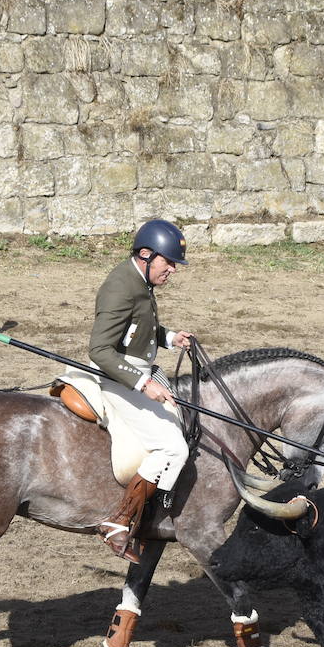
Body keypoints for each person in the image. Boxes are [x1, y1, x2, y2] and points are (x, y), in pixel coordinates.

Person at [88, 219, 194, 564]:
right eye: (169, 262)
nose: (173, 270)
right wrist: (143, 383)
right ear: (146, 255)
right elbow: (101, 350)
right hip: (119, 378)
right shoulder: (120, 287)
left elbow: (139, 328)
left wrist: (169, 338)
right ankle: (120, 521)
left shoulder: (139, 279)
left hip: (137, 371)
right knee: (173, 447)